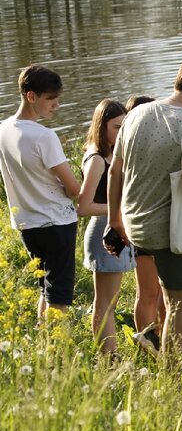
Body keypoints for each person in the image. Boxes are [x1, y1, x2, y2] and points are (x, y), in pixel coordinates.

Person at [107, 56, 182, 356]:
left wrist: (114, 218)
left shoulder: (135, 114)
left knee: (152, 292)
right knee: (180, 305)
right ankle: (172, 376)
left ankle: (151, 347)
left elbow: (115, 171)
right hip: (172, 231)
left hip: (135, 225)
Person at [0, 66, 81, 319]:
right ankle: (56, 352)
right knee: (58, 297)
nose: (56, 105)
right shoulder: (44, 136)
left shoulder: (3, 129)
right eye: (50, 98)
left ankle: (44, 344)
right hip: (56, 223)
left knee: (45, 290)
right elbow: (74, 190)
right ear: (31, 96)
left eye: (57, 98)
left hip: (26, 224)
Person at [77, 99, 135, 355]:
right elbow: (84, 206)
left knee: (110, 302)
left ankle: (110, 353)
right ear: (102, 126)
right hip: (103, 232)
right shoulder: (98, 159)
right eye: (116, 126)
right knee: (104, 304)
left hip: (112, 231)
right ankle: (108, 357)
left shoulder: (110, 153)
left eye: (124, 126)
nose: (121, 132)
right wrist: (118, 209)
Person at [124, 95, 166, 342]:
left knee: (162, 292)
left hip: (161, 225)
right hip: (142, 226)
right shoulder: (129, 151)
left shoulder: (155, 146)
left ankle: (161, 338)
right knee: (148, 292)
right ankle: (147, 343)